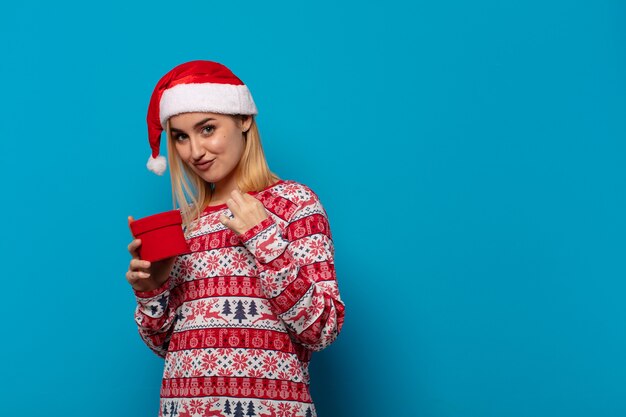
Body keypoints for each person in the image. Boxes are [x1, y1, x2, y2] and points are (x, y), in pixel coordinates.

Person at [125, 60, 345, 417]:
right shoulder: (186, 224)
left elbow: (322, 329)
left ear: (243, 119)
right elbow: (166, 347)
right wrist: (152, 289)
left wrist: (265, 241)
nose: (194, 151)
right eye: (180, 136)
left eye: (207, 129)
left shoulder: (295, 204)